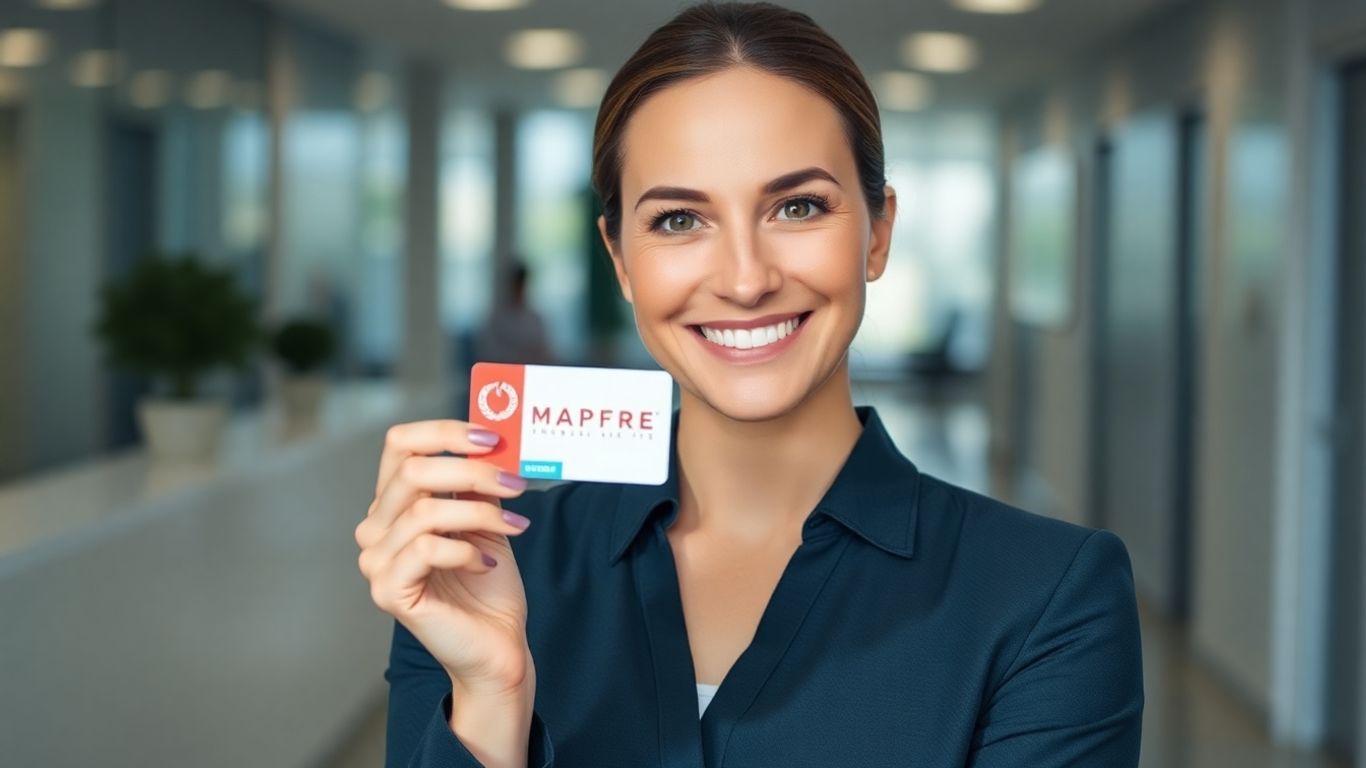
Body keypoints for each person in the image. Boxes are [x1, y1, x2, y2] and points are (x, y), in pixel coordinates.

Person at [355, 3, 1144, 767]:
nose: (744, 279)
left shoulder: (1048, 598)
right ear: (621, 259)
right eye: (678, 220)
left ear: (877, 233)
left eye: (798, 207)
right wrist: (493, 698)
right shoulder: (480, 567)